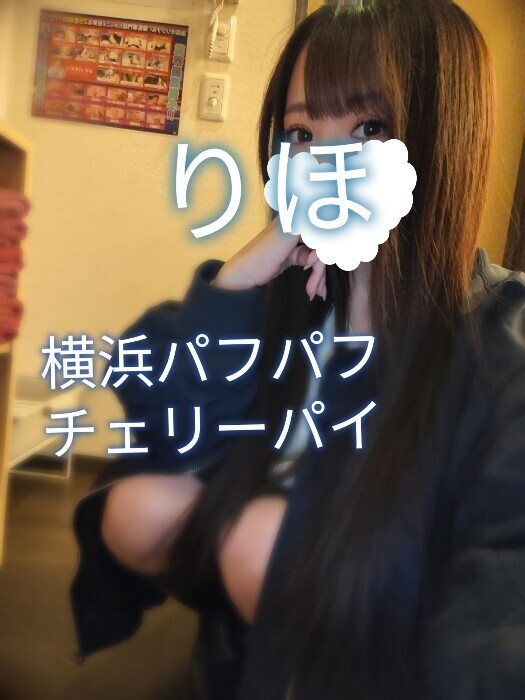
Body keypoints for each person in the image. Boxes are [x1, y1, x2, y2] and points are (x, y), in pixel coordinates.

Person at [70, 2, 525, 699]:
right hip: (260, 631)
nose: (327, 164)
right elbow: (172, 431)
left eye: (370, 128)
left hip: (380, 645)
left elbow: (497, 606)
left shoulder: (502, 340)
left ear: (445, 138)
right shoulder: (293, 291)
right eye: (303, 134)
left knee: (260, 537)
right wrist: (233, 285)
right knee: (142, 507)